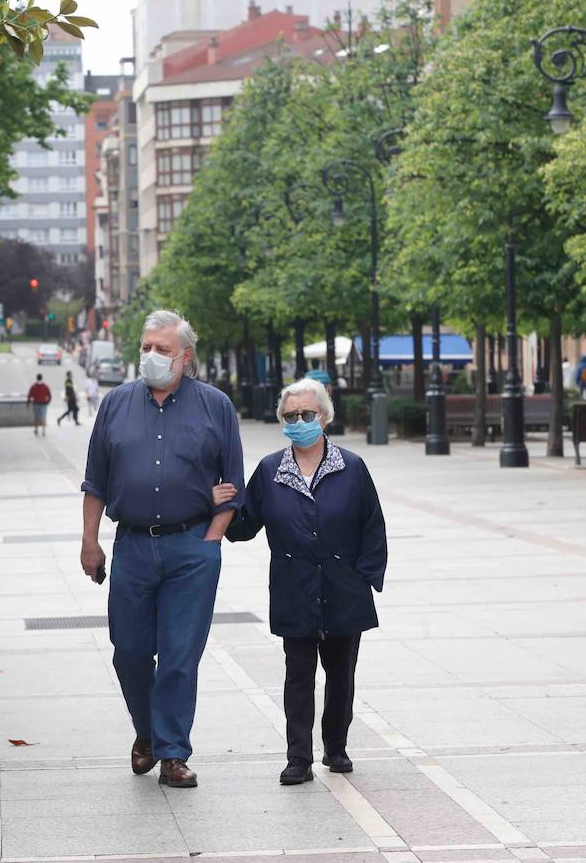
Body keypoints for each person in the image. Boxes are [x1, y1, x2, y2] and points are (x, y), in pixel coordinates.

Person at [80, 310, 244, 789]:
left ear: (185, 356)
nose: (152, 356)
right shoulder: (115, 404)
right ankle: (146, 732)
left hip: (191, 548)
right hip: (131, 545)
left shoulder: (215, 406)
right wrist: (90, 542)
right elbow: (95, 481)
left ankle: (172, 753)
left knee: (178, 656)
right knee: (128, 652)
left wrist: (210, 542)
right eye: (147, 346)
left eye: (163, 349)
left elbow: (232, 484)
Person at [216, 378, 387, 786]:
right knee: (298, 675)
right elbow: (244, 528)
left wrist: (366, 577)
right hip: (294, 588)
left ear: (324, 418)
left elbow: (373, 526)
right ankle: (298, 757)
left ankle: (336, 746)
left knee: (341, 674)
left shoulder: (352, 467)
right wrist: (223, 507)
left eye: (306, 415)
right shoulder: (271, 470)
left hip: (344, 588)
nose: (298, 422)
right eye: (290, 416)